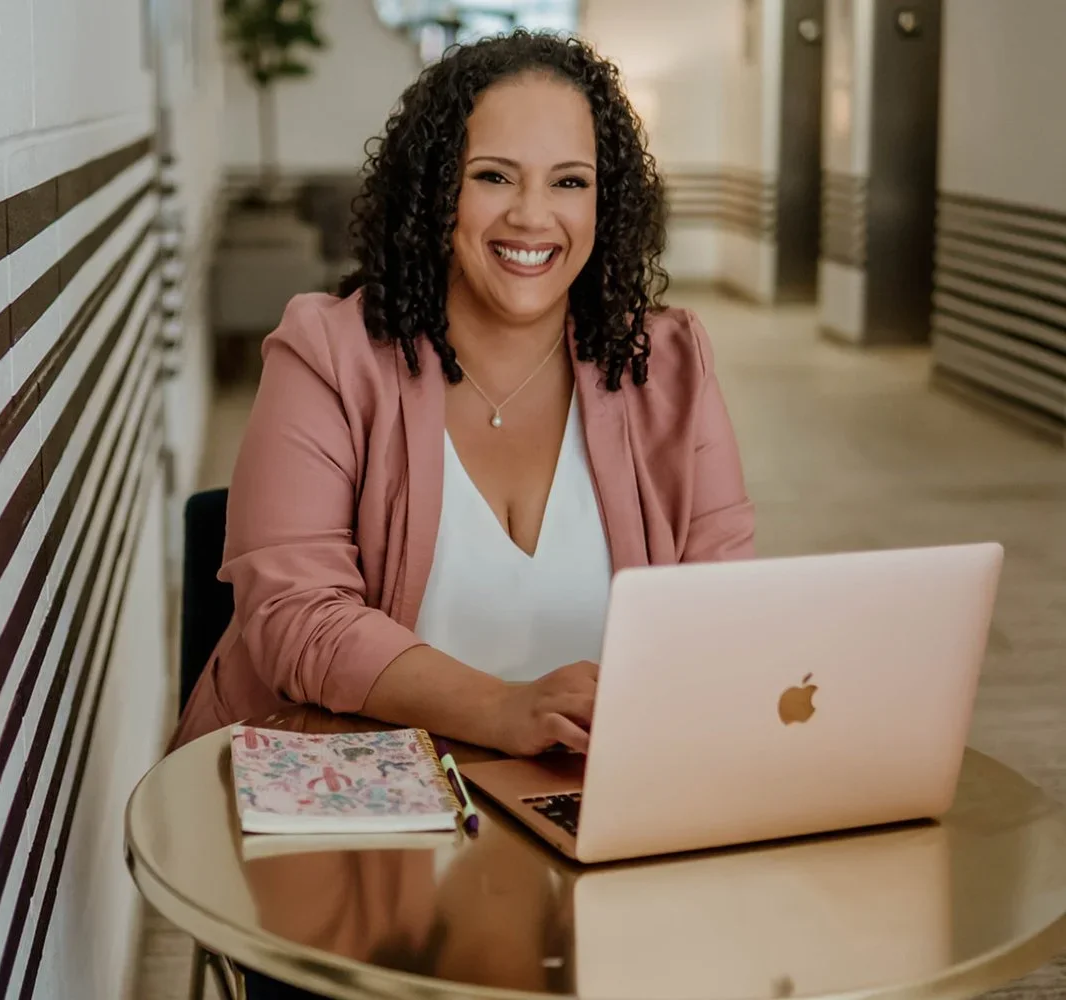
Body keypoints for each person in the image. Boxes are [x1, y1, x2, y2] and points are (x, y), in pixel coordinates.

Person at [176, 27, 756, 1000]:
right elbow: (292, 619)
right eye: (495, 175)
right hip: (367, 852)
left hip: (596, 841)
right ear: (436, 187)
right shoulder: (329, 353)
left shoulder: (667, 362)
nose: (535, 215)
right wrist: (507, 706)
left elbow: (727, 606)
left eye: (570, 181)